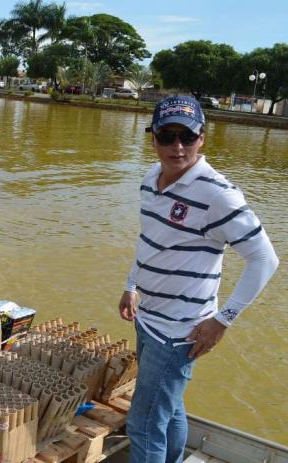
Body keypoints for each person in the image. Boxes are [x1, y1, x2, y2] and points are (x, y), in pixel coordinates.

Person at [118, 96, 279, 463]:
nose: (177, 146)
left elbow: (264, 259)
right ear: (153, 138)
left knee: (143, 424)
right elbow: (150, 240)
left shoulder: (217, 194)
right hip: (147, 318)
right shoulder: (149, 181)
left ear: (201, 138)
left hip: (179, 333)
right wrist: (131, 285)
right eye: (167, 136)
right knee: (169, 407)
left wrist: (222, 321)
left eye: (187, 137)